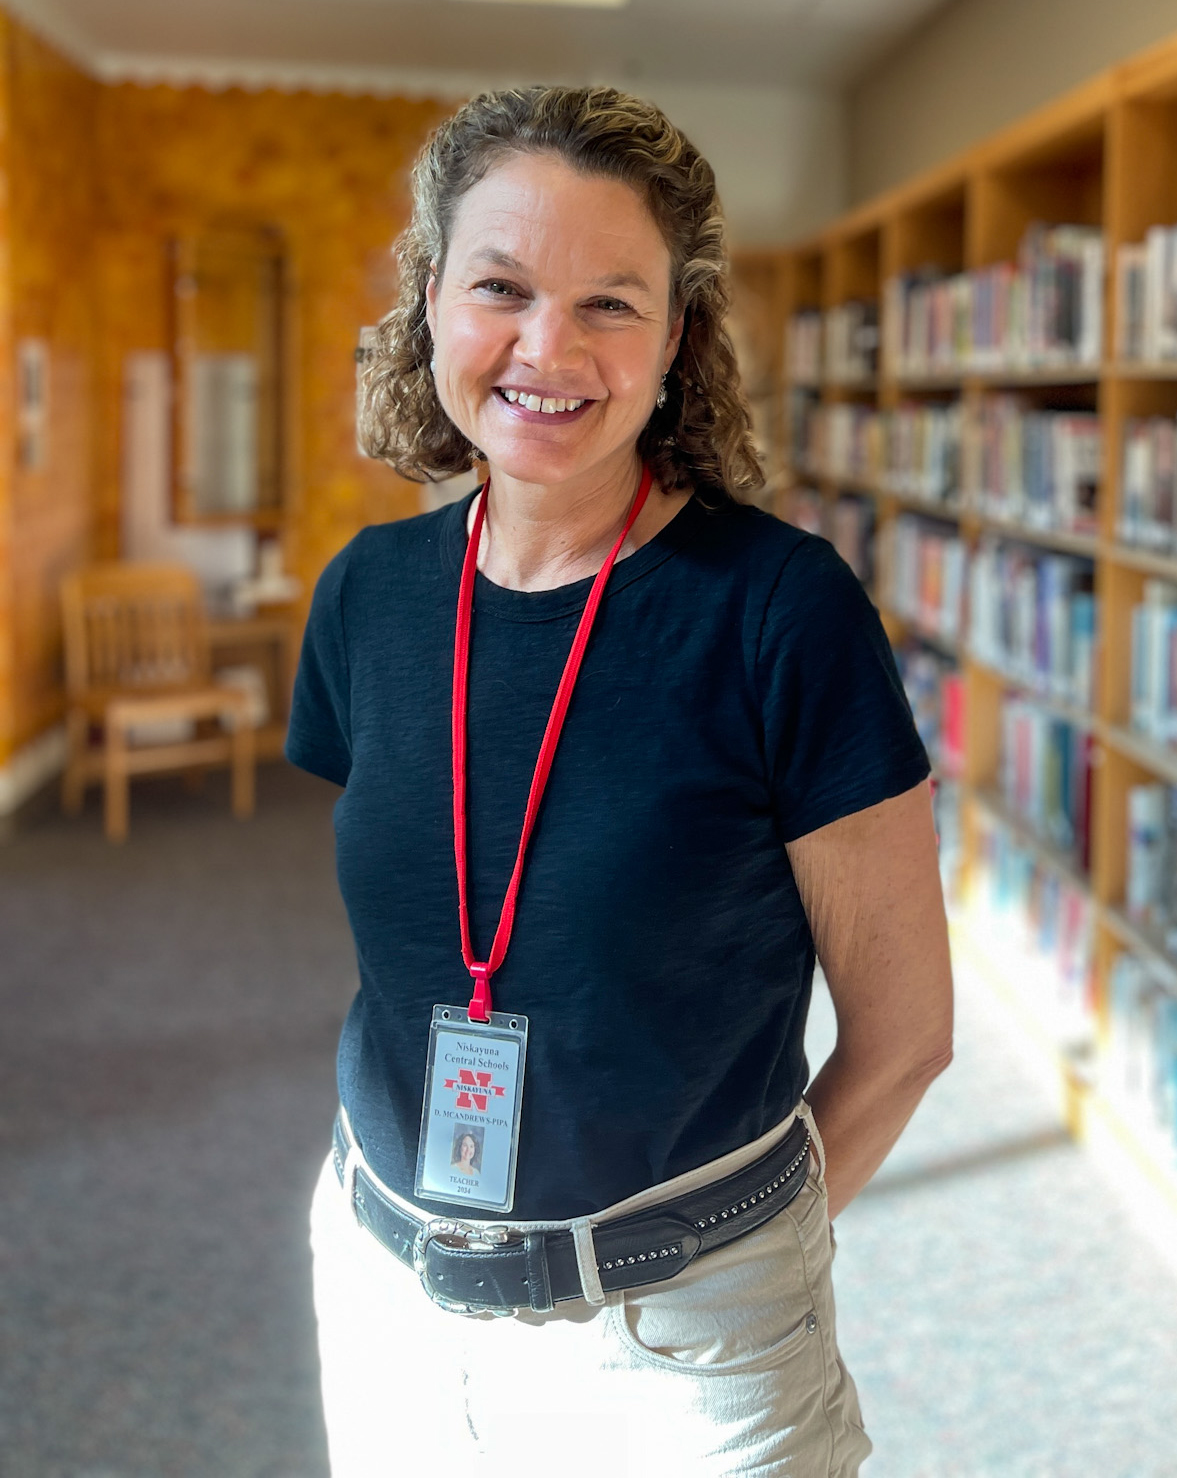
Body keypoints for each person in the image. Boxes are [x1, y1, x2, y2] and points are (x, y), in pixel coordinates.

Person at [288, 84, 952, 1478]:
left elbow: (904, 1035)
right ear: (430, 305)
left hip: (687, 1352)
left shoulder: (783, 611)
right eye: (501, 287)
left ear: (677, 343)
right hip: (390, 1299)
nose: (547, 345)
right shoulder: (366, 600)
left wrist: (731, 1265)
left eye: (610, 302)